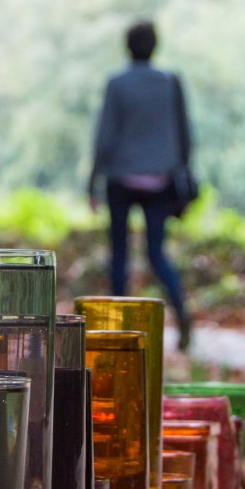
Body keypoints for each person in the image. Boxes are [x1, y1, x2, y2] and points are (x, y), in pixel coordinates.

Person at [89, 20, 193, 351]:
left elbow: (104, 136)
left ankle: (118, 333)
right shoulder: (170, 82)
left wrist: (92, 181)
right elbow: (185, 134)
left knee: (119, 254)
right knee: (156, 252)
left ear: (127, 47)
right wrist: (183, 173)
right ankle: (182, 314)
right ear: (155, 46)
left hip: (120, 178)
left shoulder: (116, 84)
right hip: (161, 179)